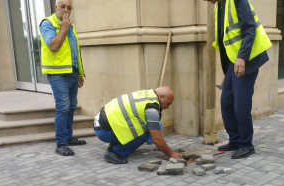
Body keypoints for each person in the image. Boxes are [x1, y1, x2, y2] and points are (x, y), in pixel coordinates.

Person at [203, 0, 271, 159]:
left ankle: (246, 144)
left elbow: (249, 28)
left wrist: (242, 57)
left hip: (247, 59)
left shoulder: (237, 1)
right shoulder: (218, 7)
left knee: (241, 105)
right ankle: (235, 139)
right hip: (233, 63)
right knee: (226, 102)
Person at [40, 0, 86, 156]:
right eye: (63, 7)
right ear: (55, 7)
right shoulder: (48, 23)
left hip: (72, 73)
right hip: (58, 75)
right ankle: (61, 143)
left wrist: (79, 72)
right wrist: (64, 28)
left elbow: (74, 52)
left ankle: (68, 137)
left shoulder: (70, 26)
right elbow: (53, 46)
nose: (66, 10)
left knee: (71, 107)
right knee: (63, 108)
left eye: (69, 7)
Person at [93, 86, 184, 164]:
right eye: (168, 103)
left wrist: (161, 146)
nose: (167, 107)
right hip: (104, 131)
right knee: (144, 134)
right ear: (161, 97)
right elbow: (156, 137)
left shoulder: (149, 94)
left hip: (100, 124)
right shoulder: (152, 107)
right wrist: (171, 153)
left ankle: (115, 145)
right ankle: (115, 152)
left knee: (155, 125)